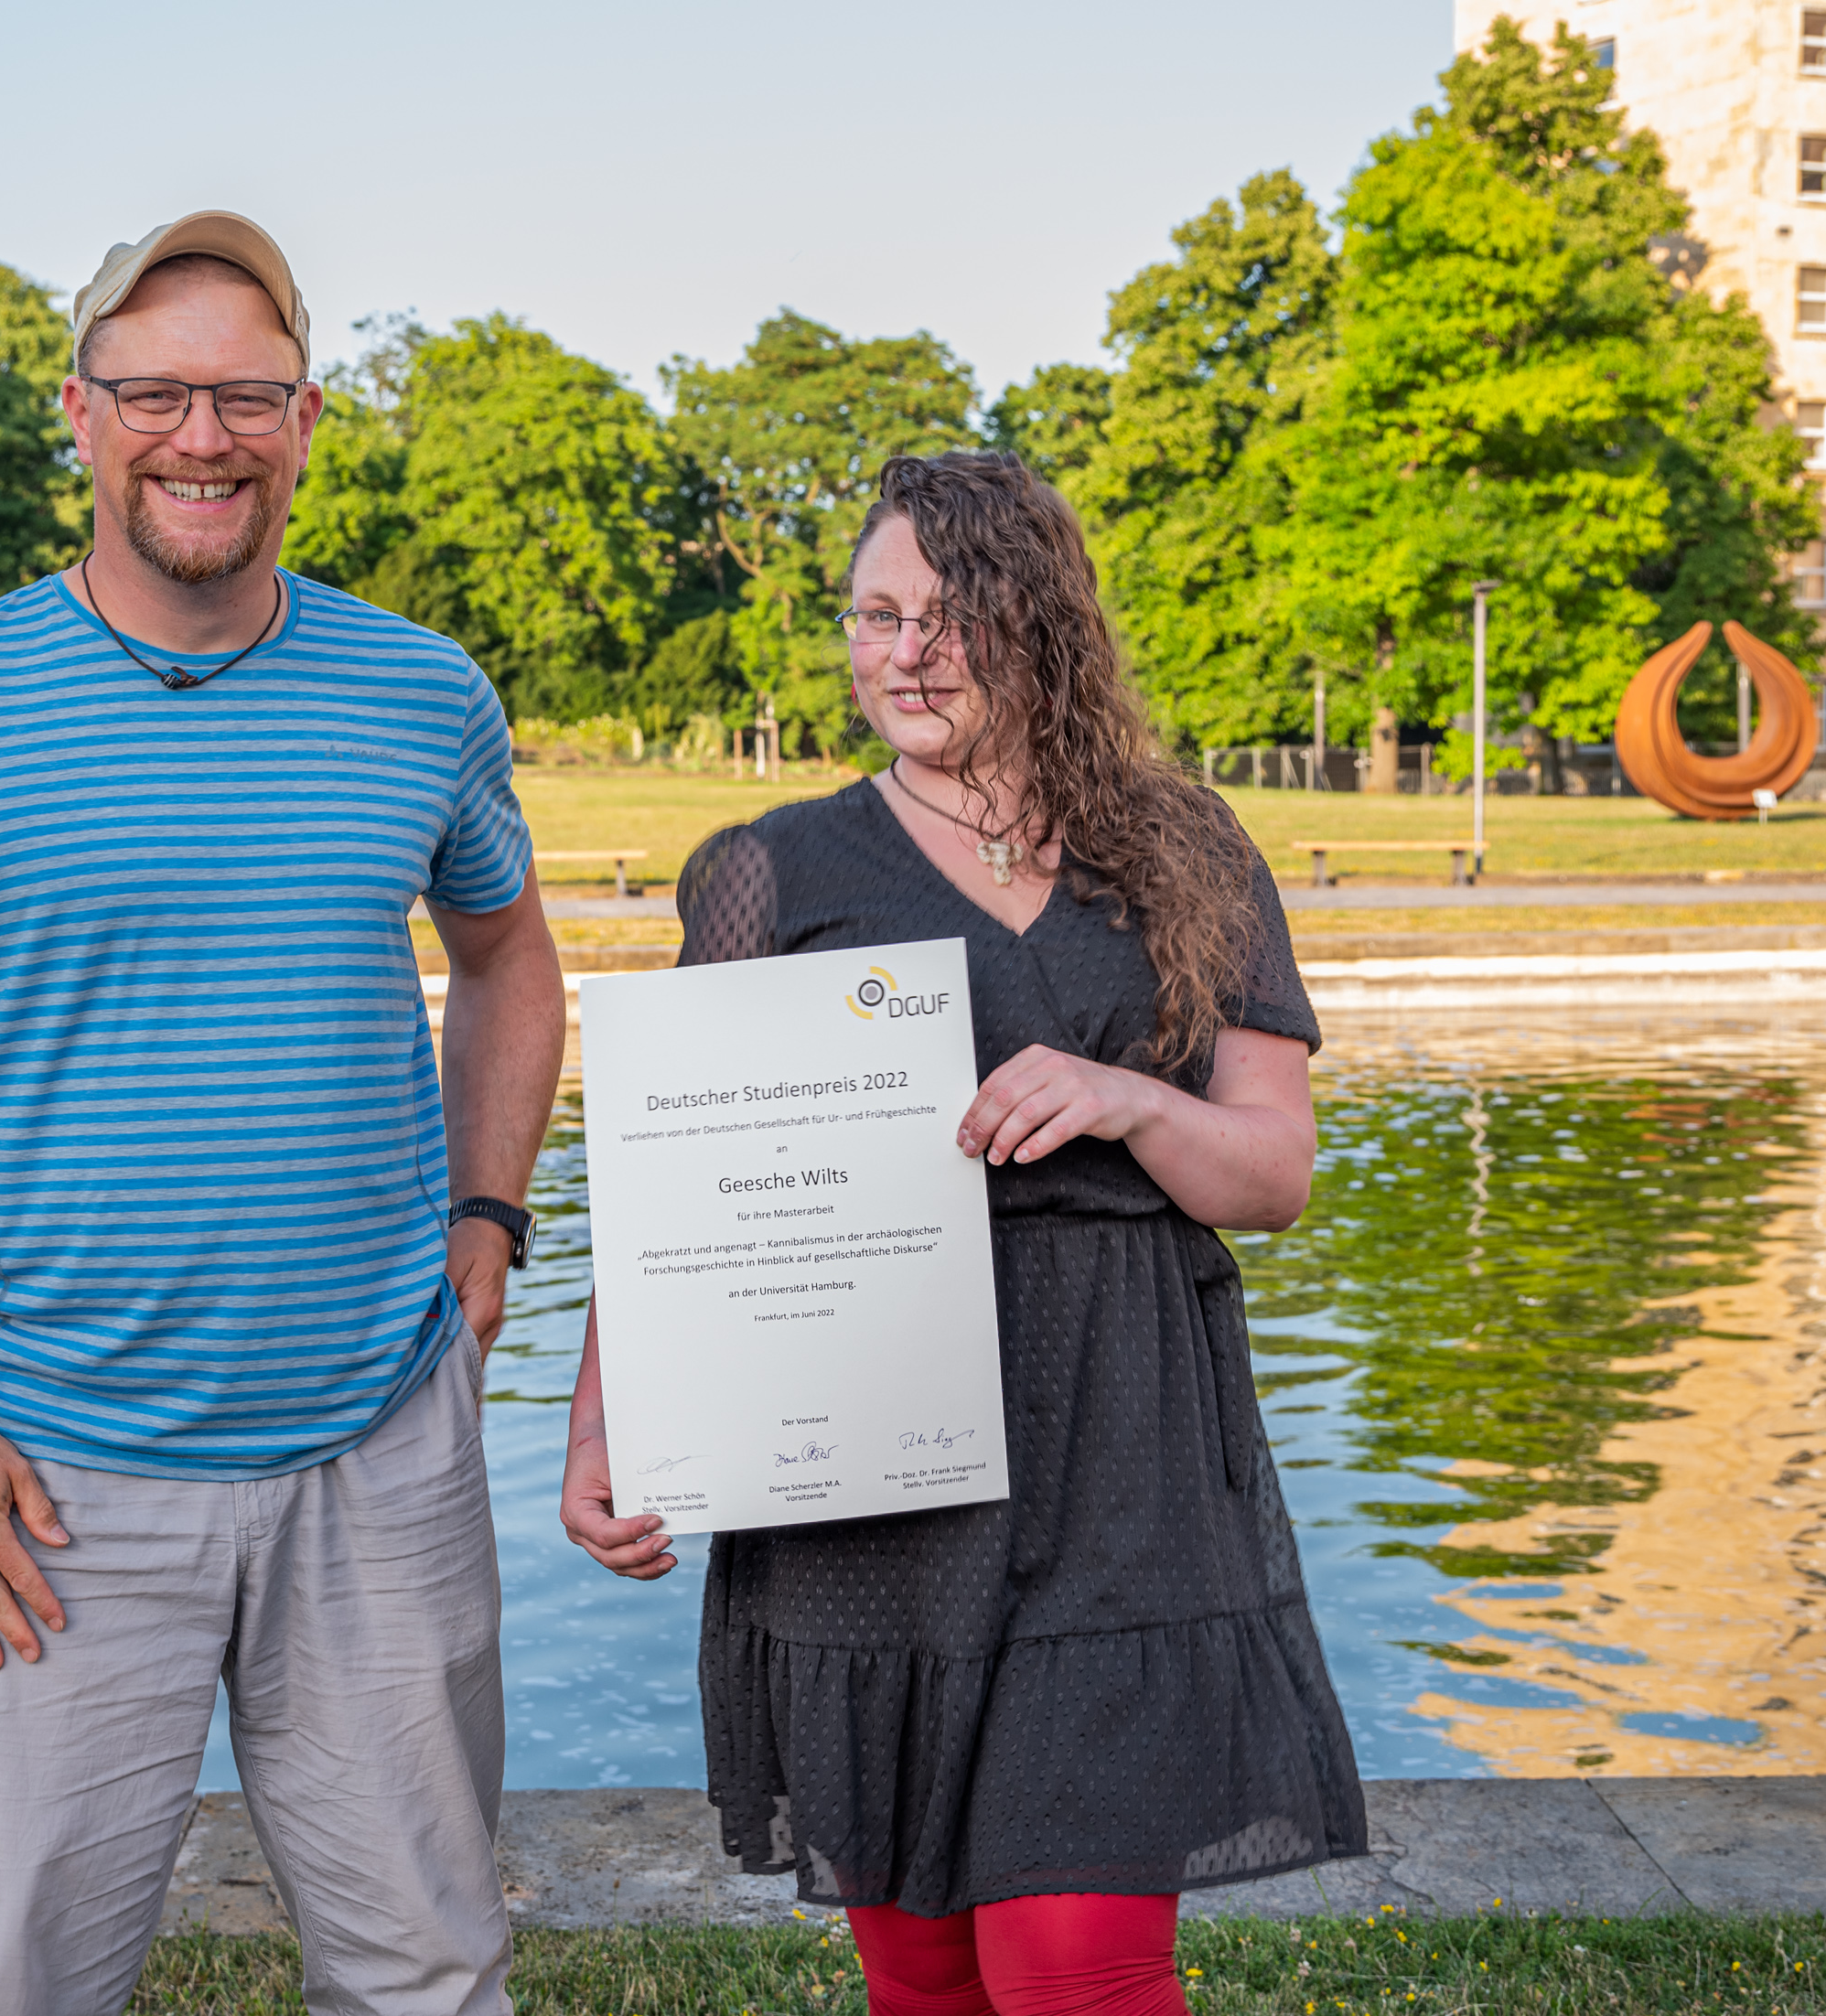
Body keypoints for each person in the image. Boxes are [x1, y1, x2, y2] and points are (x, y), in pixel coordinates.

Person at [0, 210, 564, 2016]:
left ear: (304, 420)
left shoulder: (423, 689)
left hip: (380, 1453)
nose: (199, 436)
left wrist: (488, 1214)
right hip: (38, 1473)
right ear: (80, 413)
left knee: (432, 1970)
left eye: (244, 396)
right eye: (154, 393)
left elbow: (513, 964)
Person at [559, 452, 1364, 2016]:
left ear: (1044, 623)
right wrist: (611, 1422)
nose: (905, 653)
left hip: (1121, 1443)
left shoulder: (1186, 851)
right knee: (923, 1975)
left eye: (950, 614)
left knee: (1077, 1975)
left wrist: (1124, 1100)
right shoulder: (768, 869)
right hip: (865, 1466)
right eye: (875, 614)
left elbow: (1272, 1174)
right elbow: (684, 1182)